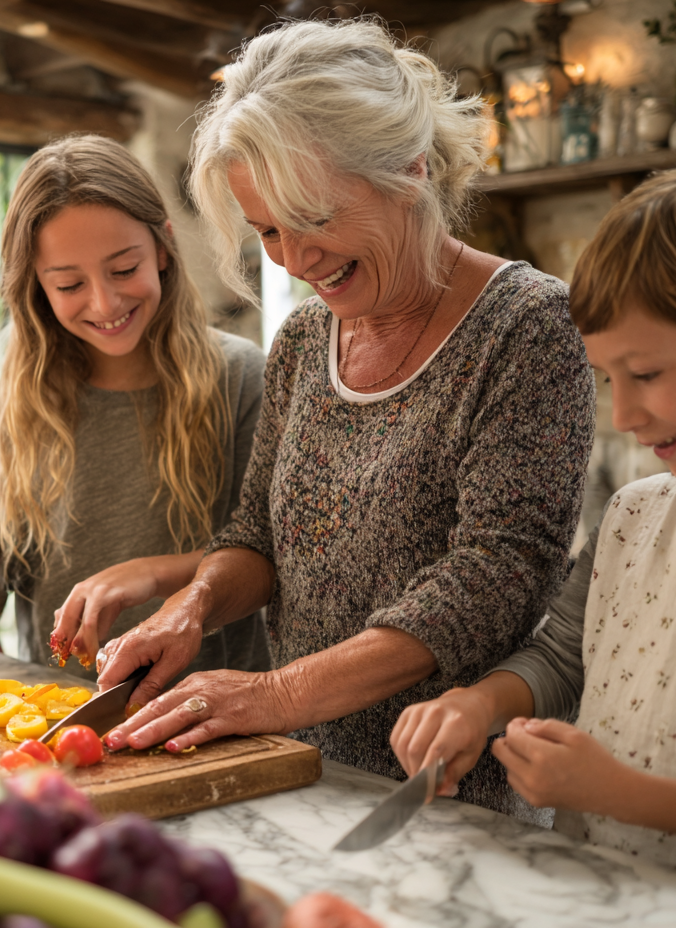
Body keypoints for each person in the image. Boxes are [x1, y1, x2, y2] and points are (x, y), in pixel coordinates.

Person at [95, 18, 595, 817]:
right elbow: (258, 537)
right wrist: (191, 606)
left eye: (314, 217)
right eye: (267, 230)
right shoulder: (303, 339)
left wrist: (273, 693)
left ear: (410, 169)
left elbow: (498, 576)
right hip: (301, 774)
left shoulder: (527, 324)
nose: (294, 259)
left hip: (452, 797)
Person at [391, 161, 676, 872]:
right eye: (608, 379)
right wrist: (478, 706)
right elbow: (564, 656)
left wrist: (619, 794)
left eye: (646, 374)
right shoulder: (632, 517)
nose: (623, 416)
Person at [0, 135, 271, 682]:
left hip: (205, 699)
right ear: (37, 287)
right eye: (70, 284)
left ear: (163, 248)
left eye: (123, 269)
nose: (105, 303)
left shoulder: (239, 374)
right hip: (56, 699)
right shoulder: (26, 386)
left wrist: (149, 574)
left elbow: (264, 551)